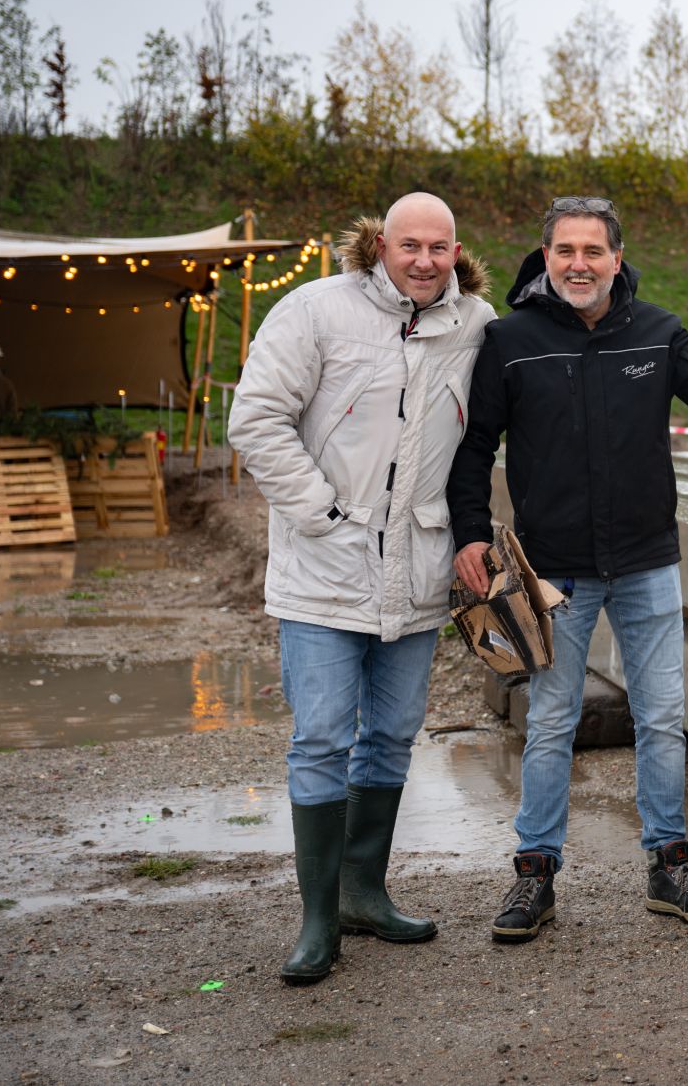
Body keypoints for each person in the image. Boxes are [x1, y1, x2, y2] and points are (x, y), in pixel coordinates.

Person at [447, 195, 688, 943]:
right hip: (553, 573)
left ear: (617, 259)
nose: (579, 264)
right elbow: (474, 448)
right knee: (551, 723)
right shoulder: (510, 340)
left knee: (661, 719)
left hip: (645, 563)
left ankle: (669, 866)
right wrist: (469, 535)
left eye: (593, 251)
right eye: (565, 250)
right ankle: (535, 874)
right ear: (546, 257)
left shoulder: (657, 332)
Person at [227, 192, 494, 985]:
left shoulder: (475, 325)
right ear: (381, 244)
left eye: (439, 247)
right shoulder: (316, 311)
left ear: (455, 252)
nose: (424, 260)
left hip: (415, 571)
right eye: (410, 245)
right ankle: (317, 920)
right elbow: (256, 418)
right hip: (324, 568)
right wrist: (320, 511)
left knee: (391, 734)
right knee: (321, 738)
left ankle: (362, 893)